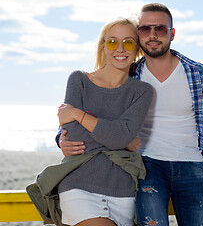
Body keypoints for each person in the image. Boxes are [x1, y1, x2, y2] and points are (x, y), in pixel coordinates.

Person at [57, 3, 203, 226]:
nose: (152, 35)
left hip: (192, 165)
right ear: (139, 37)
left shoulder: (199, 74)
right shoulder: (131, 74)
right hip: (147, 167)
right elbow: (92, 110)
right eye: (145, 29)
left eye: (160, 29)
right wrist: (62, 137)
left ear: (172, 34)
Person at [27, 18, 153, 226]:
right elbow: (77, 137)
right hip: (79, 186)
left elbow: (118, 136)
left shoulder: (142, 92)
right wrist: (123, 140)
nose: (120, 48)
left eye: (128, 42)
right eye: (112, 42)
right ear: (103, 47)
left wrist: (78, 115)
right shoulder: (79, 80)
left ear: (137, 49)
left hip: (123, 190)